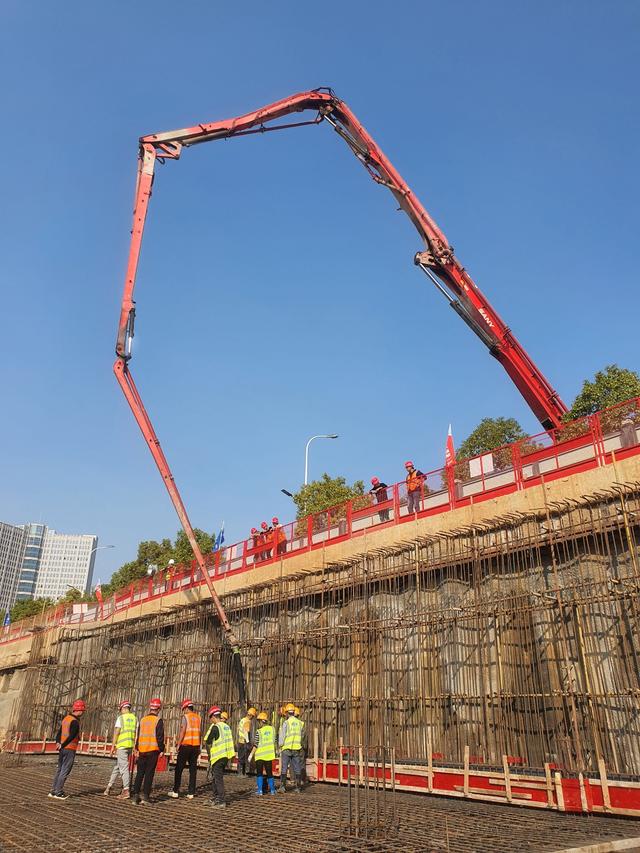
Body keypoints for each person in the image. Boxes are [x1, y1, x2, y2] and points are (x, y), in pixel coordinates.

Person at [49, 699, 86, 800]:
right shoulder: (75, 721)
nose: (83, 713)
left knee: (60, 769)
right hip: (69, 748)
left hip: (62, 748)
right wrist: (63, 744)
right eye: (83, 710)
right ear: (79, 710)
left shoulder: (66, 719)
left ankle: (53, 790)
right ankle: (58, 792)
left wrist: (58, 743)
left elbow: (59, 733)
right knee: (65, 770)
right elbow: (72, 735)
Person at [131, 698, 165, 805]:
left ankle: (135, 795)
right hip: (152, 751)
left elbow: (139, 735)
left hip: (142, 750)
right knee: (149, 774)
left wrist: (136, 748)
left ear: (150, 707)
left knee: (140, 773)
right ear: (158, 709)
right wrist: (162, 749)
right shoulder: (158, 720)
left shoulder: (143, 720)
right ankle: (145, 796)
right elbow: (160, 737)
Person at [168, 699, 201, 800]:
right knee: (193, 770)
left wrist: (178, 744)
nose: (183, 711)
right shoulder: (198, 718)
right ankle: (191, 792)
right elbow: (199, 732)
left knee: (179, 769)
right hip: (195, 746)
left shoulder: (186, 717)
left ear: (186, 708)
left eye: (184, 709)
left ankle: (175, 791)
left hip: (185, 746)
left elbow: (183, 731)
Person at [104, 700, 137, 799]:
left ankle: (126, 790)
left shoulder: (121, 718)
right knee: (118, 766)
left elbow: (116, 733)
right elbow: (136, 733)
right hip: (130, 746)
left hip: (122, 746)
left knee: (123, 768)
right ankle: (109, 787)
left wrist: (113, 746)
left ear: (123, 708)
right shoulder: (135, 718)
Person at [204, 705, 235, 808]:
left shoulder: (216, 727)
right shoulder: (226, 727)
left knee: (218, 779)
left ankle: (221, 800)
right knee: (215, 778)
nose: (210, 720)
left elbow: (208, 741)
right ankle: (215, 798)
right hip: (225, 756)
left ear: (213, 716)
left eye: (210, 717)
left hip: (218, 756)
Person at [278, 702, 304, 793]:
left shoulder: (286, 723)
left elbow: (282, 736)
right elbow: (302, 736)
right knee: (297, 768)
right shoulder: (300, 723)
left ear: (287, 713)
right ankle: (298, 787)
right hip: (297, 748)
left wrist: (280, 746)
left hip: (286, 749)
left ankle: (282, 787)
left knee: (284, 768)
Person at [253, 712, 277, 796]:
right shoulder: (272, 729)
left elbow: (256, 744)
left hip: (259, 755)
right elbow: (275, 741)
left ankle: (260, 791)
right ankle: (273, 790)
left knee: (259, 773)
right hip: (269, 755)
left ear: (260, 721)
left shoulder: (259, 731)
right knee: (269, 773)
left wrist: (251, 754)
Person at [236, 706, 257, 775]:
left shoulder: (242, 720)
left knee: (240, 757)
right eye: (253, 716)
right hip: (244, 741)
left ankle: (241, 772)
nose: (253, 718)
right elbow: (246, 732)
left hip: (240, 741)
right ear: (251, 715)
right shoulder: (247, 721)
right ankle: (241, 773)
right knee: (243, 758)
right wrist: (248, 742)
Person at [294, 706, 309, 787]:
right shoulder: (301, 723)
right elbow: (304, 736)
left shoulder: (291, 723)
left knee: (295, 763)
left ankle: (295, 780)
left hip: (295, 746)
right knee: (301, 763)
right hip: (300, 746)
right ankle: (302, 780)